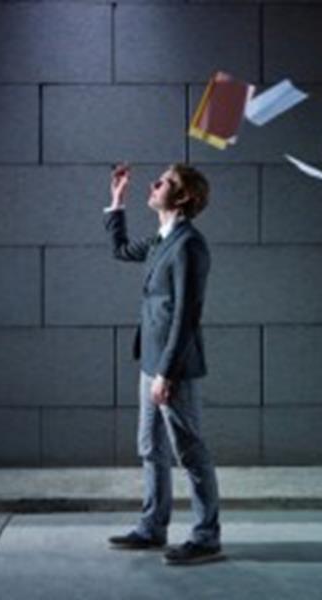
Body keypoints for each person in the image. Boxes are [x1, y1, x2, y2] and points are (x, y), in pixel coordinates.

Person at [103, 162, 223, 566]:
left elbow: (187, 316)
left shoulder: (190, 245)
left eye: (167, 182)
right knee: (150, 447)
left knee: (189, 452)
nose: (155, 184)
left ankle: (206, 537)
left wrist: (167, 373)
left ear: (185, 197)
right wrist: (116, 203)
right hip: (151, 362)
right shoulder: (162, 239)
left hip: (174, 367)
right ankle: (152, 527)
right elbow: (121, 250)